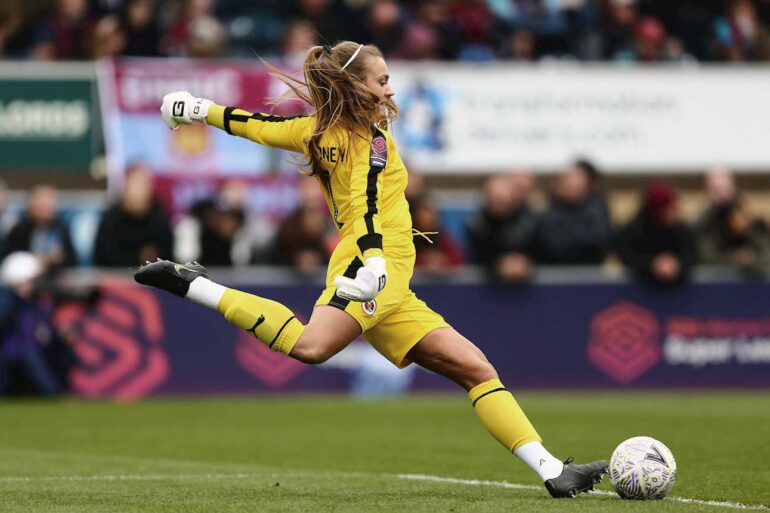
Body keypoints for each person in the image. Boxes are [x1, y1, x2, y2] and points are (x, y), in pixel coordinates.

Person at [135, 41, 607, 498]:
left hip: (391, 281)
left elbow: (256, 125)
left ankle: (552, 472)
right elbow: (363, 205)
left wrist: (199, 109)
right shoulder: (370, 141)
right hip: (373, 268)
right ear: (357, 87)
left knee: (476, 368)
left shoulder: (316, 131)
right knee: (312, 345)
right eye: (383, 81)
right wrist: (375, 262)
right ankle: (193, 284)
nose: (391, 90)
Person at [614, 181, 697, 287]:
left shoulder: (683, 231)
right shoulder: (635, 231)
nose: (676, 211)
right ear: (658, 212)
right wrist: (652, 265)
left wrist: (677, 264)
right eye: (670, 209)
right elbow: (626, 254)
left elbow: (692, 254)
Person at [93, 163, 173, 267]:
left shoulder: (159, 217)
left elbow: (168, 256)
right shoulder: (111, 219)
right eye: (135, 184)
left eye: (144, 184)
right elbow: (102, 257)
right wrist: (137, 258)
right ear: (125, 187)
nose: (139, 191)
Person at [534, 163, 612, 265]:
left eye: (578, 181)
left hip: (590, 273)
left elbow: (599, 243)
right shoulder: (547, 214)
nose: (572, 186)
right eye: (566, 182)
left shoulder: (598, 212)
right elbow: (548, 245)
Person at [467, 173, 537, 283]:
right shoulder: (477, 225)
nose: (500, 204)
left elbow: (539, 250)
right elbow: (475, 256)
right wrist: (498, 265)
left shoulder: (528, 222)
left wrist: (526, 263)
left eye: (504, 199)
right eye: (496, 199)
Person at [4, 184, 76, 271]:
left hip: (55, 278)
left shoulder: (61, 228)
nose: (45, 205)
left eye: (49, 201)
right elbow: (10, 260)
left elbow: (72, 262)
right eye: (41, 202)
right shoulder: (20, 230)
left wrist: (56, 260)